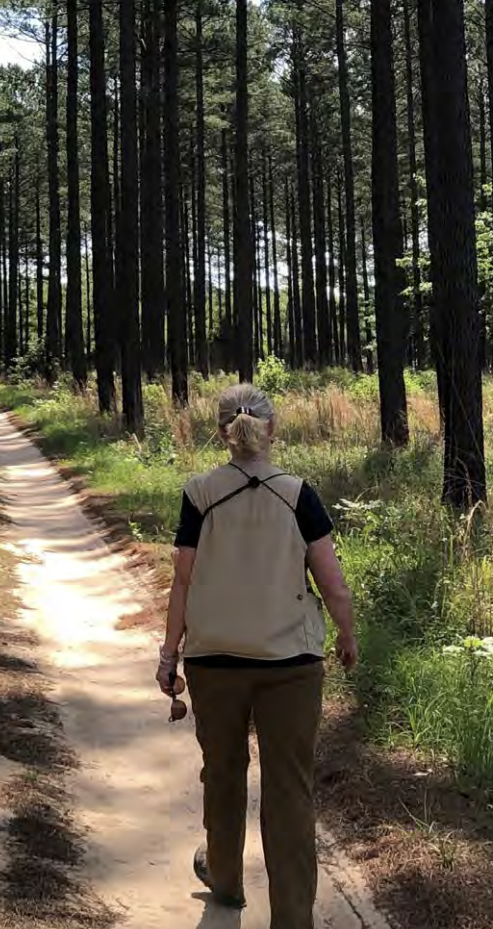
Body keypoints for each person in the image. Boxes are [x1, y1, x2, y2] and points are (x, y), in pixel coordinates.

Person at [155, 383, 358, 929]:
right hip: (290, 665)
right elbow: (332, 584)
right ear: (272, 430)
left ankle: (224, 878)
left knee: (221, 772)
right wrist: (345, 634)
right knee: (290, 790)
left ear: (222, 432)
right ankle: (293, 917)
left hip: (214, 661)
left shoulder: (199, 494)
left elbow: (183, 580)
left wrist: (168, 653)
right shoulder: (297, 494)